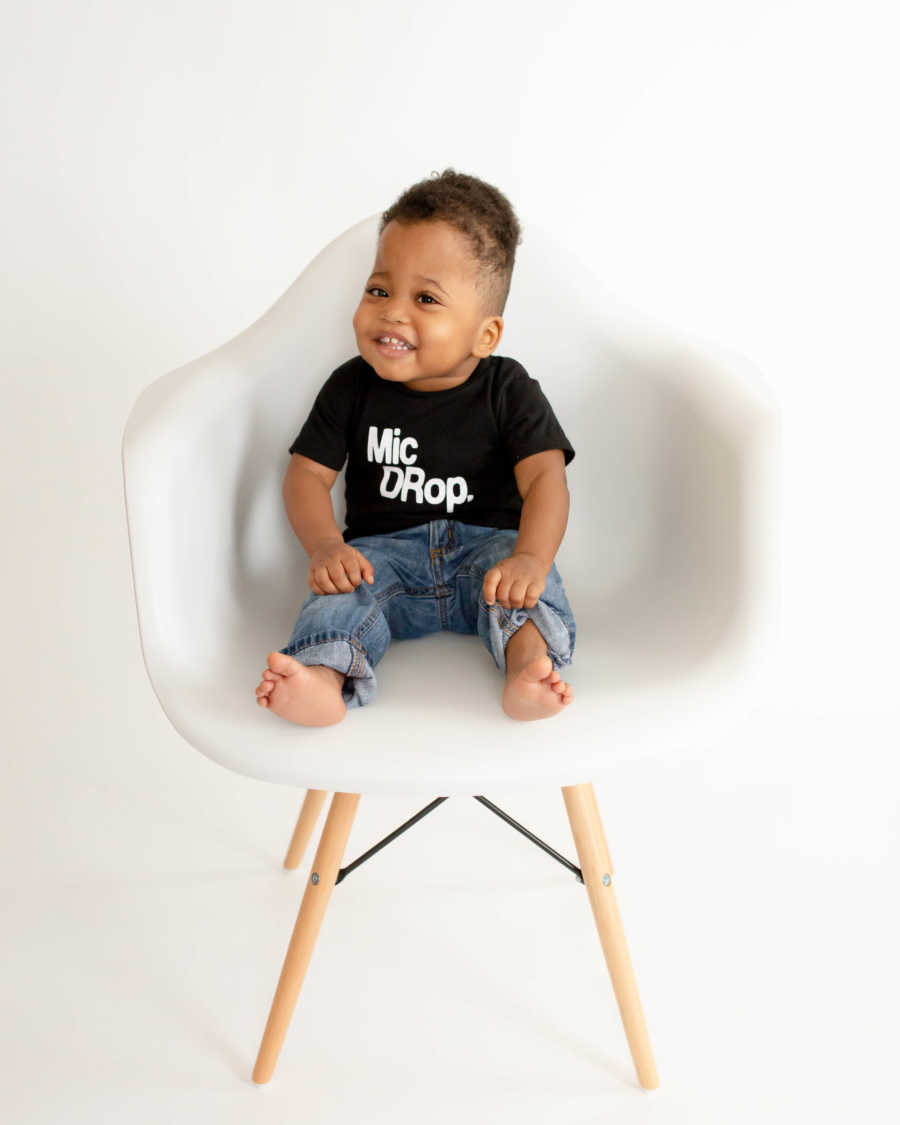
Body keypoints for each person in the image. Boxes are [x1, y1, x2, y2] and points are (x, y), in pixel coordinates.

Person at [254, 168, 576, 726]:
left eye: (426, 298)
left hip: (486, 553)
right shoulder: (350, 385)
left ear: (485, 335)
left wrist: (531, 557)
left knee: (526, 591)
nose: (393, 310)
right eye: (379, 289)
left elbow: (546, 479)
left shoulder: (509, 388)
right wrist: (327, 545)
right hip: (383, 558)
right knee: (341, 597)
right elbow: (307, 475)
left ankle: (529, 665)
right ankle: (323, 678)